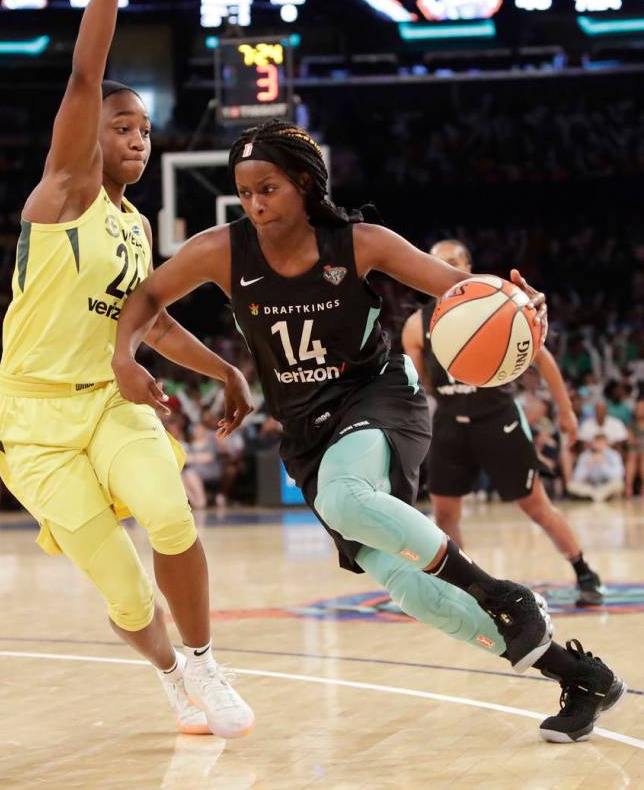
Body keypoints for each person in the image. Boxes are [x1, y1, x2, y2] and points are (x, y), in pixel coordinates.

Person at [113, 119, 625, 743]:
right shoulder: (220, 249)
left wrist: (521, 303)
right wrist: (128, 355)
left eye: (267, 189)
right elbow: (142, 301)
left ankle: (503, 594)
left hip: (379, 397)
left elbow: (460, 291)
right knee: (416, 593)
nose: (254, 204)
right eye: (244, 192)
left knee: (344, 496)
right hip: (307, 432)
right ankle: (580, 677)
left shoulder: (360, 242)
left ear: (305, 183)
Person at [0, 0, 253, 739]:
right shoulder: (64, 193)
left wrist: (225, 372)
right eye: (121, 126)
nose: (138, 138)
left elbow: (152, 322)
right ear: (86, 137)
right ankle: (171, 677)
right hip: (34, 421)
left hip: (108, 398)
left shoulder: (134, 223)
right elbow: (82, 76)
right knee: (129, 597)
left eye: (143, 128)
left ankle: (201, 659)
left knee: (170, 512)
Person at [402, 239, 603, 607]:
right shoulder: (417, 325)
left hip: (498, 418)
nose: (444, 269)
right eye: (436, 263)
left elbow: (541, 358)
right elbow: (421, 385)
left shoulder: (493, 304)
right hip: (449, 421)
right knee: (445, 511)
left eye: (452, 262)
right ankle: (462, 585)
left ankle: (584, 570)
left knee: (535, 505)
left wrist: (565, 409)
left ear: (467, 265)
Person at [568, 434, 625, 502]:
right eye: (597, 442)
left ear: (607, 443)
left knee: (619, 484)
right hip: (590, 487)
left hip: (606, 485)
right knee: (571, 485)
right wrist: (588, 466)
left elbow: (618, 476)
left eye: (602, 443)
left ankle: (596, 496)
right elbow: (577, 478)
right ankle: (596, 495)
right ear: (593, 444)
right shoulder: (584, 455)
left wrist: (603, 465)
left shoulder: (614, 455)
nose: (599, 445)